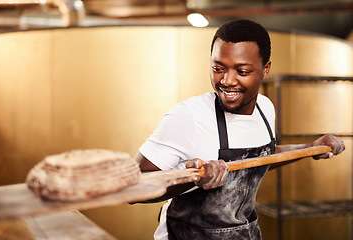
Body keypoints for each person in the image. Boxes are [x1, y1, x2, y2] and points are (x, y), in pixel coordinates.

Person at [134, 19, 345, 240]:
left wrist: (310, 147)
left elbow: (259, 158)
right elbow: (135, 186)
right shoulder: (189, 116)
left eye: (242, 71)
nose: (227, 81)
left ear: (265, 70)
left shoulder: (265, 108)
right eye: (218, 68)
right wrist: (193, 179)